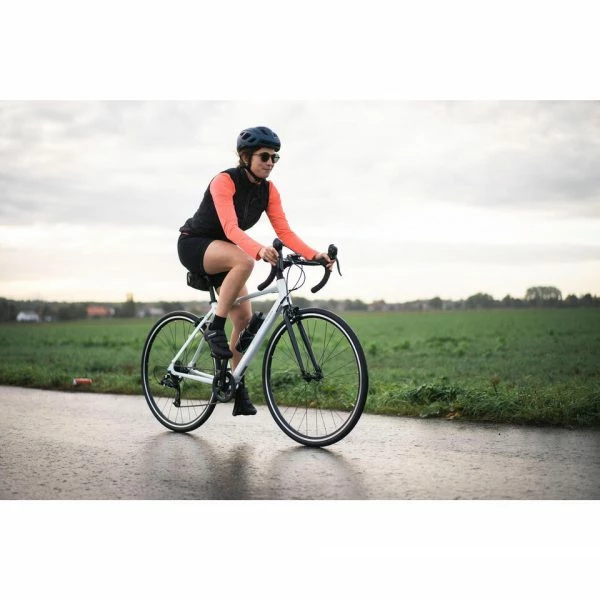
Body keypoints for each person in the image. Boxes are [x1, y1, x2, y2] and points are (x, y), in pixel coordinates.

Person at [177, 126, 334, 416]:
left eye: (275, 158)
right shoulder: (225, 181)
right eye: (264, 156)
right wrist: (259, 250)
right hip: (195, 244)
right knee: (246, 261)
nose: (270, 163)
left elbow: (284, 231)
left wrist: (314, 254)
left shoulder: (268, 191)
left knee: (244, 319)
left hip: (226, 252)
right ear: (245, 157)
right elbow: (230, 228)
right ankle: (214, 328)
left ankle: (235, 386)